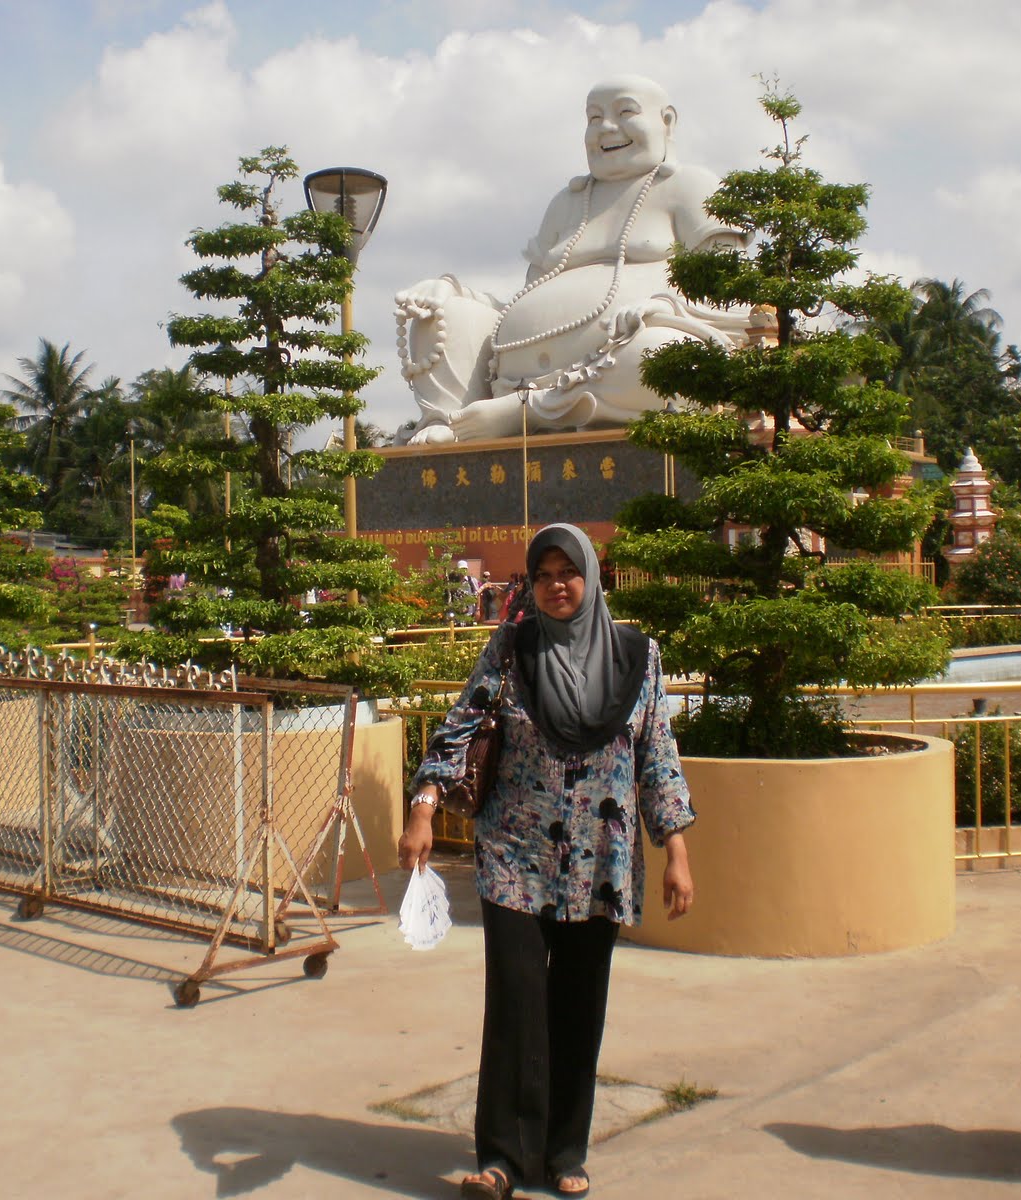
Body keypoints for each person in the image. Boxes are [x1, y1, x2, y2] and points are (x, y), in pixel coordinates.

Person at [399, 523, 695, 1200]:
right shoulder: (513, 648)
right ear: (530, 585)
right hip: (515, 854)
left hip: (601, 860)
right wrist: (423, 807)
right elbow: (460, 725)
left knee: (578, 1005)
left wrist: (675, 851)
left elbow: (657, 755)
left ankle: (564, 1151)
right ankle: (501, 1157)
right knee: (516, 1003)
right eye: (544, 575)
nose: (557, 585)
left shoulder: (637, 656)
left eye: (569, 572)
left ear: (592, 577)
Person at [394, 75, 772, 444]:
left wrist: (662, 307)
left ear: (666, 121)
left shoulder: (691, 186)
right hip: (512, 374)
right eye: (594, 117)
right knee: (442, 313)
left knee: (672, 361)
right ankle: (449, 420)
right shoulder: (567, 203)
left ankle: (526, 412)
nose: (606, 127)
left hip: (627, 358)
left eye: (625, 112)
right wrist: (453, 293)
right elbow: (526, 296)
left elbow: (729, 295)